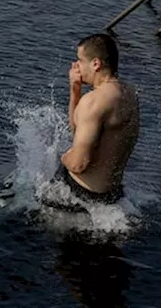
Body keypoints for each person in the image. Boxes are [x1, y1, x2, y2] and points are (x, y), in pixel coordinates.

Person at [51, 33, 140, 209]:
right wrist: (75, 91)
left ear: (96, 64)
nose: (76, 66)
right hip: (111, 195)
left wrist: (61, 157)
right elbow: (79, 131)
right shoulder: (130, 94)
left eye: (80, 60)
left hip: (79, 195)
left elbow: (78, 163)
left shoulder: (93, 101)